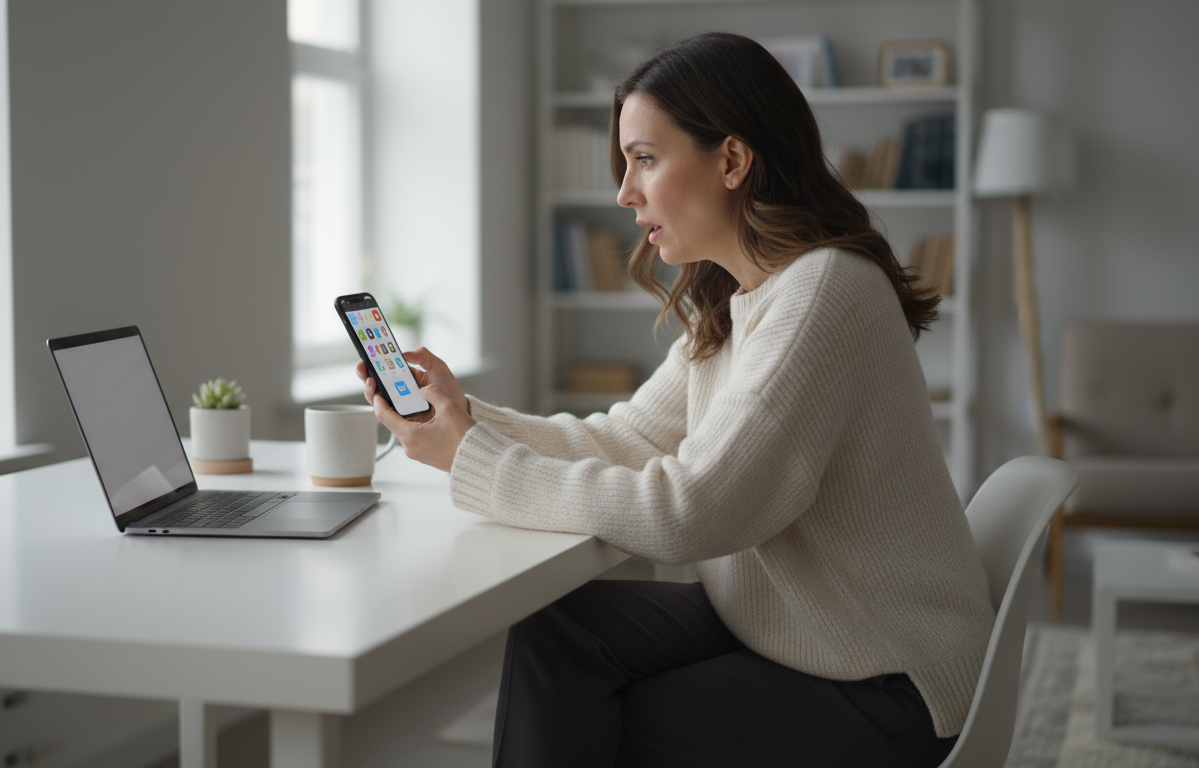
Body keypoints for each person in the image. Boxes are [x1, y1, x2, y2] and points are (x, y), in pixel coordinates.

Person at [357, 32, 994, 768]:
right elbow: (625, 439)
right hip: (789, 624)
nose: (625, 193)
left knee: (604, 726)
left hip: (891, 677)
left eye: (645, 159)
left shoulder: (825, 293)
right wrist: (468, 419)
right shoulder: (738, 300)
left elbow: (692, 511)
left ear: (731, 159)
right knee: (557, 631)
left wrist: (474, 457)